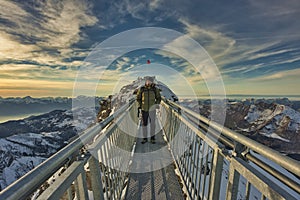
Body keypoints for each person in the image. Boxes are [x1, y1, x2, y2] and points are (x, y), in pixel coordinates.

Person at [136, 77, 161, 144]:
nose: (149, 82)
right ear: (146, 81)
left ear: (152, 82)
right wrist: (140, 105)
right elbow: (138, 98)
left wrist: (156, 104)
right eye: (147, 81)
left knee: (153, 124)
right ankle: (145, 138)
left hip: (152, 110)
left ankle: (152, 138)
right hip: (144, 110)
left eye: (150, 81)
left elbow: (159, 98)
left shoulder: (155, 89)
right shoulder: (142, 89)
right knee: (145, 124)